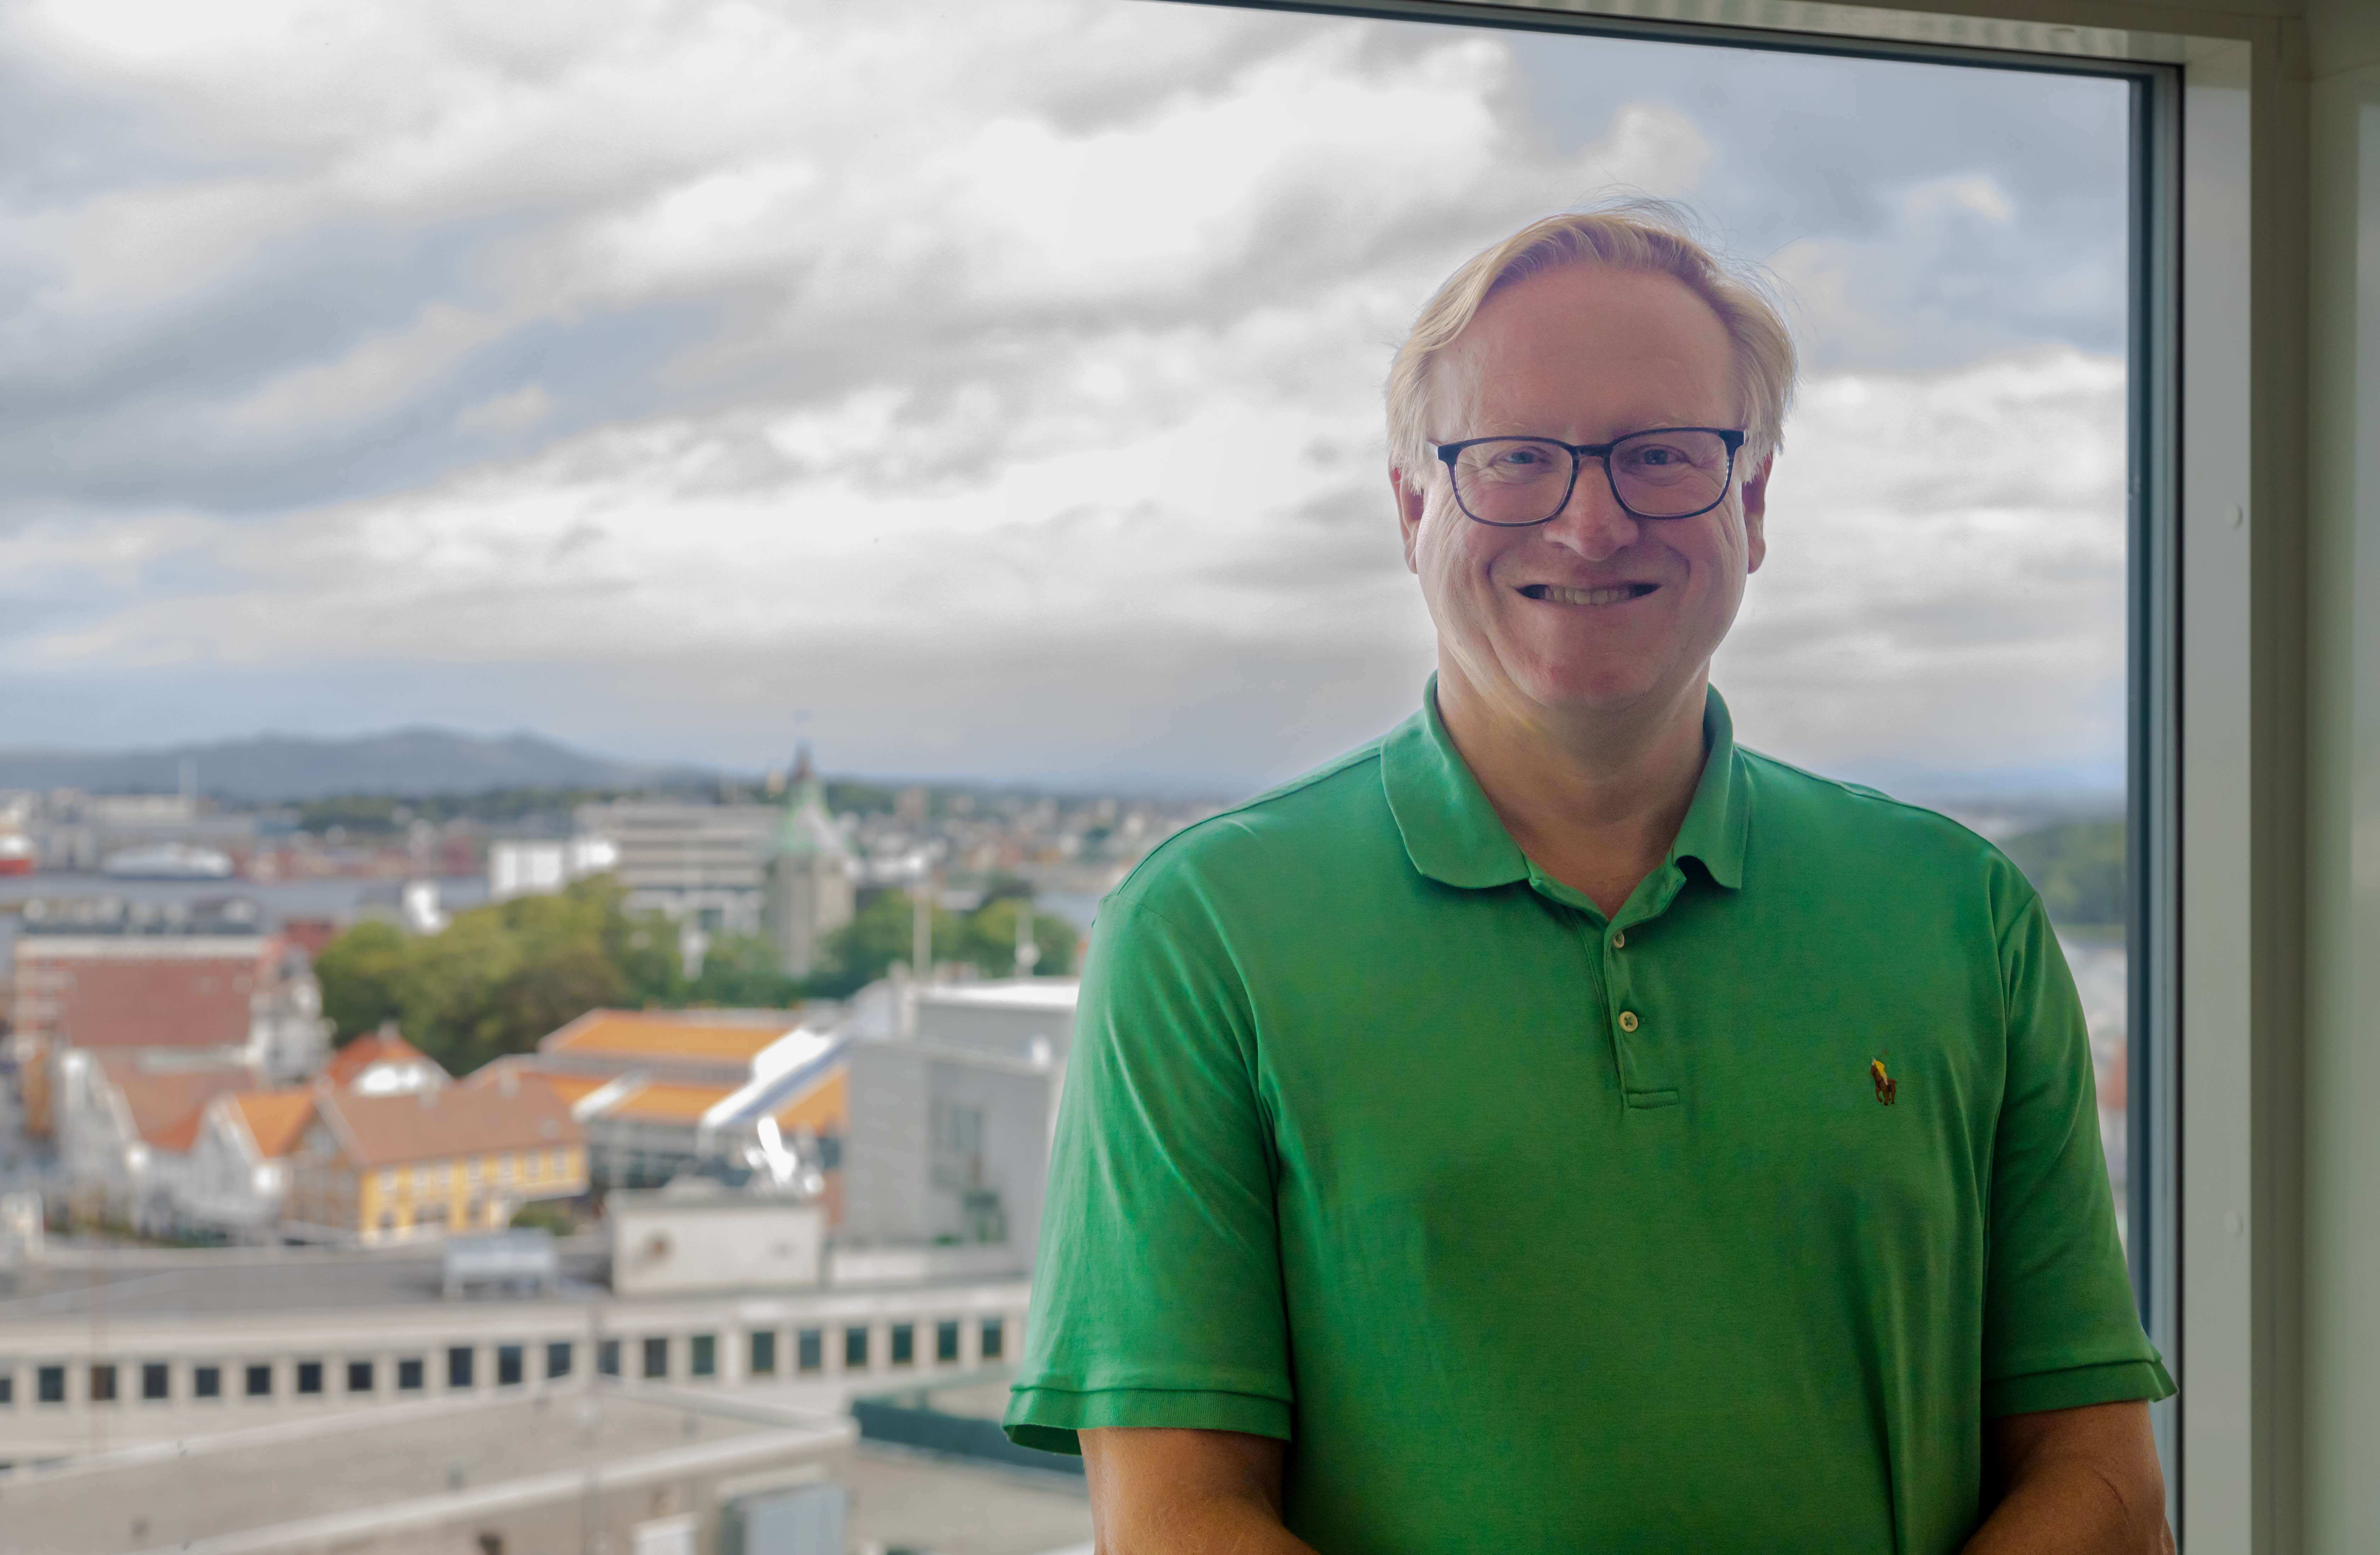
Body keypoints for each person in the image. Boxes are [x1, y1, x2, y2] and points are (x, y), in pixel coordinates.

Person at [1002, 204, 2174, 1554]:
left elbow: (2104, 1484)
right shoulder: (1204, 931)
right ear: (1414, 508)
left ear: (1751, 505)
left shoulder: (1962, 914)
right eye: (1515, 459)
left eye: (1662, 456)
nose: (1592, 522)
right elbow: (1177, 1524)